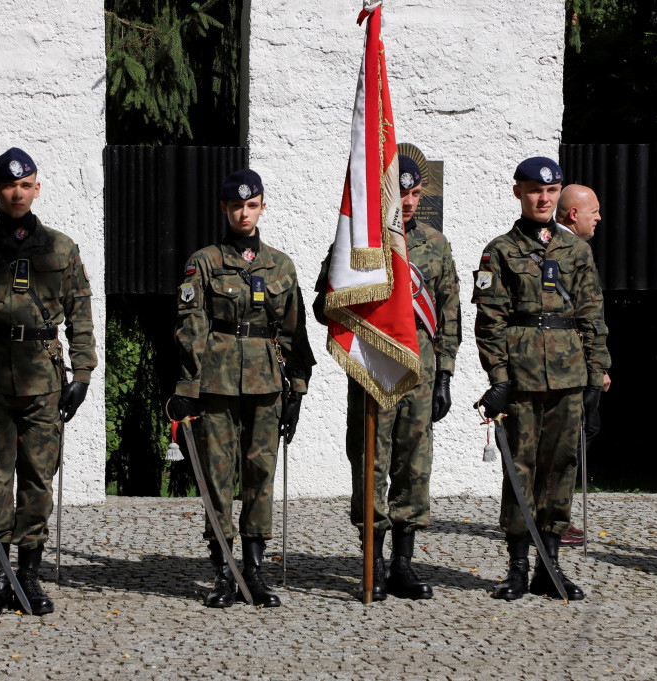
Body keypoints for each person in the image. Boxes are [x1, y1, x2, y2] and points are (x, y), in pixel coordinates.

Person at [0, 148, 97, 616]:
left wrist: (84, 372)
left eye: (26, 184)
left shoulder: (61, 249)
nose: (17, 193)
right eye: (9, 186)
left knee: (38, 480)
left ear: (36, 189)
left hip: (46, 381)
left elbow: (82, 316)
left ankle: (29, 576)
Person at [313, 154, 461, 601]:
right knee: (371, 463)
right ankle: (372, 561)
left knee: (414, 466)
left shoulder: (436, 244)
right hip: (373, 366)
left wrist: (447, 375)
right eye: (403, 192)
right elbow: (325, 305)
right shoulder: (359, 242)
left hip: (420, 369)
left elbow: (450, 311)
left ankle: (402, 564)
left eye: (417, 194)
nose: (410, 202)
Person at [168, 169, 315, 609]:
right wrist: (187, 386)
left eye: (251, 205)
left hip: (266, 386)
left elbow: (293, 332)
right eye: (236, 205)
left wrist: (298, 389)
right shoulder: (205, 262)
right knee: (217, 478)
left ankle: (254, 569)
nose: (243, 213)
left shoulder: (280, 266)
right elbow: (190, 327)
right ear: (224, 209)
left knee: (260, 476)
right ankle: (223, 571)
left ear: (262, 206)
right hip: (215, 384)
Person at [472, 157, 610, 601]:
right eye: (534, 190)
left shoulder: (577, 251)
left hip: (569, 375)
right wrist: (498, 376)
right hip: (522, 376)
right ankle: (516, 567)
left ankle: (549, 567)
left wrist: (596, 374)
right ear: (518, 192)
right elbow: (490, 320)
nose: (543, 198)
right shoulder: (500, 251)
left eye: (551, 191)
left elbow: (592, 314)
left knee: (560, 467)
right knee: (521, 470)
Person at [555, 183, 611, 546]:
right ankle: (553, 520)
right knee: (570, 441)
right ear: (574, 215)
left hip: (572, 363)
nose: (599, 218)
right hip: (570, 365)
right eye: (594, 212)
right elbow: (586, 315)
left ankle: (550, 517)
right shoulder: (570, 250)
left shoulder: (570, 248)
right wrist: (597, 367)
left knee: (575, 437)